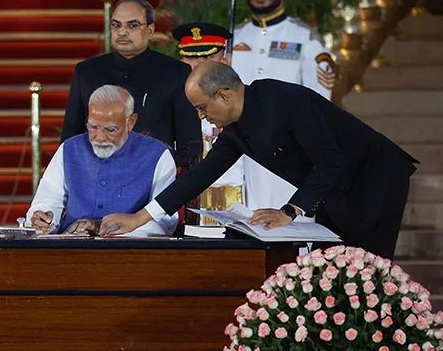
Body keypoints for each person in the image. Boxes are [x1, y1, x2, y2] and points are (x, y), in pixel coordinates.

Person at [101, 61, 418, 259]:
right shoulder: (236, 129)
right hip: (333, 190)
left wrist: (289, 212)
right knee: (329, 272)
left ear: (224, 96)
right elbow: (199, 177)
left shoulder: (284, 102)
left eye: (201, 109)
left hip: (375, 179)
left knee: (365, 276)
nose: (203, 118)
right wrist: (140, 217)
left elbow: (331, 161)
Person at [232, 0, 338, 213]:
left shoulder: (305, 39)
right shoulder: (233, 39)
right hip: (241, 155)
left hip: (291, 155)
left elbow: (319, 103)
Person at [61, 0, 202, 168]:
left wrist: (178, 186)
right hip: (98, 175)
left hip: (156, 178)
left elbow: (189, 141)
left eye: (132, 25)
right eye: (116, 25)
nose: (122, 32)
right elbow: (71, 137)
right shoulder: (87, 72)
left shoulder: (175, 72)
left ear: (150, 30)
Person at [27, 85, 178, 237]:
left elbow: (164, 220)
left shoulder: (157, 155)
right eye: (92, 127)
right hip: (70, 248)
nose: (99, 137)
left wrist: (106, 230)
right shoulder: (69, 148)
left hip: (131, 251)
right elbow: (48, 200)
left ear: (130, 122)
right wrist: (44, 219)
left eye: (110, 129)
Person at [172, 22, 247, 219]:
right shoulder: (171, 101)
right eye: (191, 57)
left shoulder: (239, 100)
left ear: (225, 59)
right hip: (185, 198)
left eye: (208, 56)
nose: (199, 64)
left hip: (240, 197)